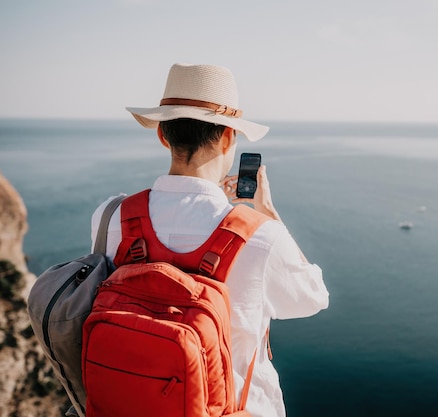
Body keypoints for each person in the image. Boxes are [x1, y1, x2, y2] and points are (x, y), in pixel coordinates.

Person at [90, 63, 329, 417]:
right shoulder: (260, 235)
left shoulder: (110, 217)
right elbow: (314, 298)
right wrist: (268, 213)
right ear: (228, 137)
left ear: (162, 135)